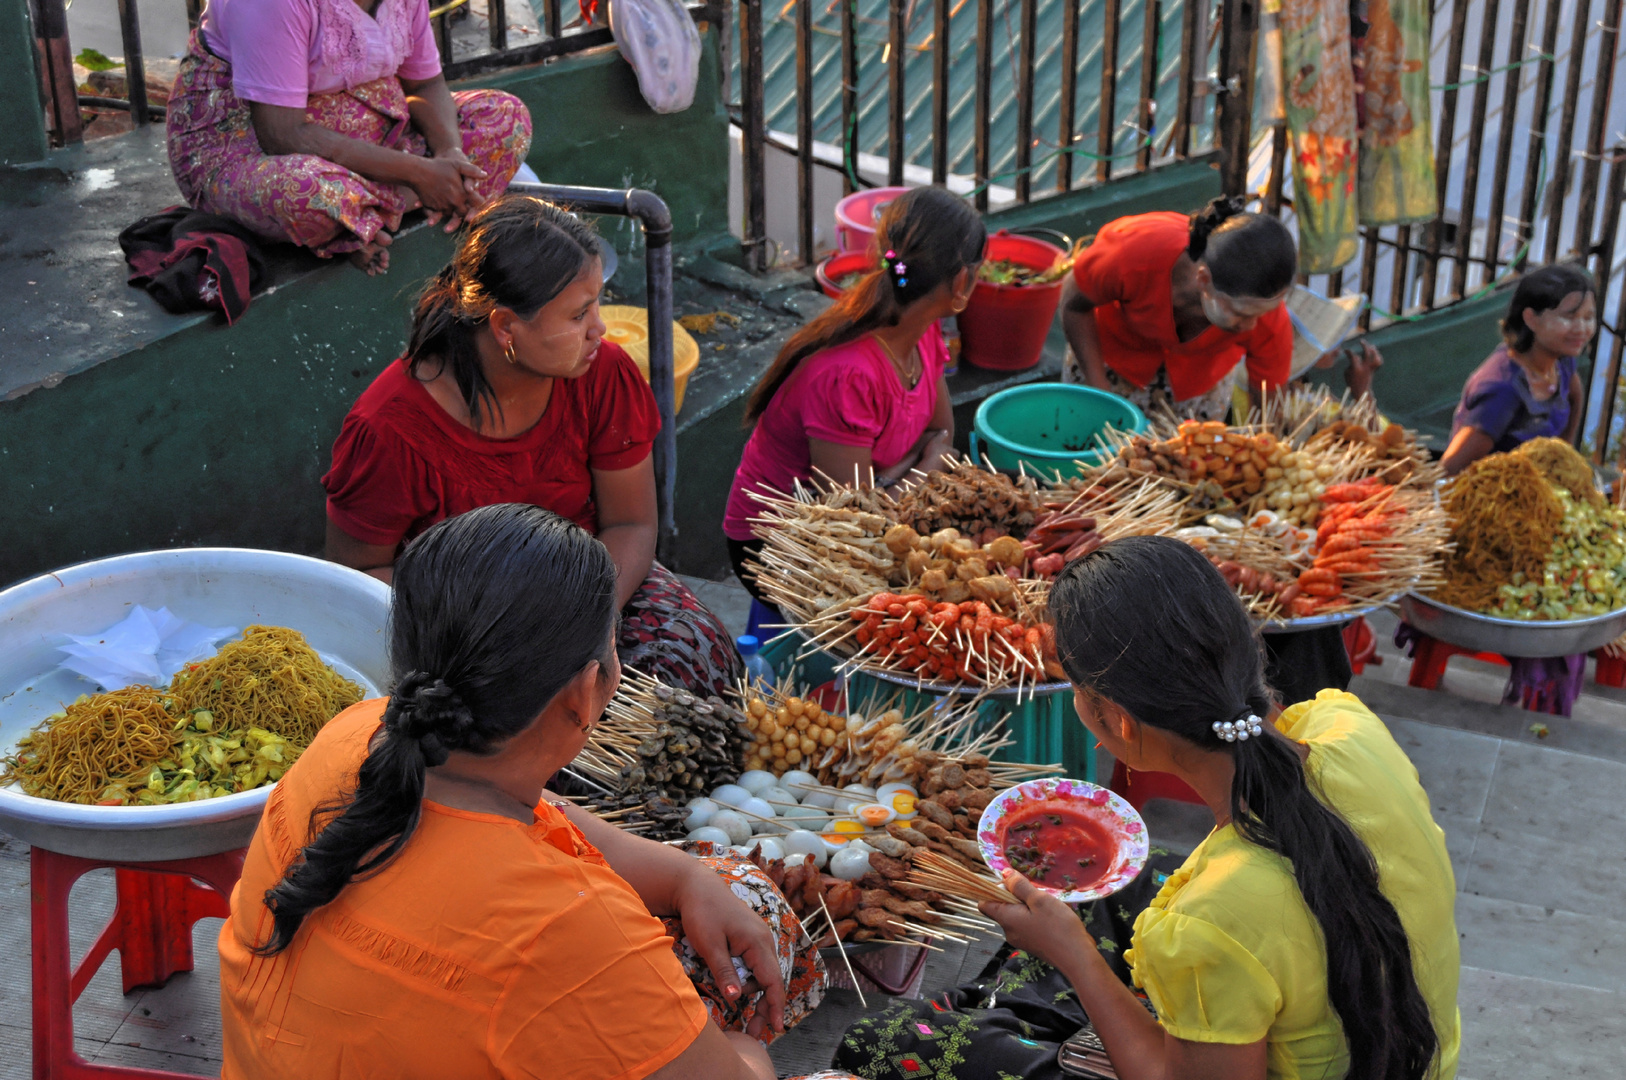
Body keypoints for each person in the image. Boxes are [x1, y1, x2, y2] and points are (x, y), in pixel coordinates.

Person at [218, 504, 858, 1079]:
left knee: (733, 886)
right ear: (585, 692)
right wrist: (742, 1047)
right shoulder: (567, 929)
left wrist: (689, 878)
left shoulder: (356, 734)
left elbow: (545, 811)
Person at [836, 535, 1460, 1080]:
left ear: (1121, 724)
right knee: (1120, 886)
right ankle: (1017, 1006)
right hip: (1413, 1053)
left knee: (882, 1042)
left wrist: (1073, 956)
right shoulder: (1345, 726)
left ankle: (1017, 1008)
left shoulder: (1207, 919)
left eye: (1078, 691)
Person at [322, 196, 743, 697]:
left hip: (593, 585)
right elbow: (358, 575)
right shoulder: (389, 429)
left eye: (597, 305)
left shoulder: (602, 373)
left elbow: (630, 523)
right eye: (578, 314)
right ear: (505, 327)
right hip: (468, 629)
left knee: (696, 659)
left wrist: (594, 617)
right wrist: (495, 626)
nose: (599, 329)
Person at [724, 186, 984, 602]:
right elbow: (856, 523)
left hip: (870, 507)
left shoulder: (923, 327)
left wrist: (916, 468)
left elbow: (941, 435)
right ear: (960, 282)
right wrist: (926, 462)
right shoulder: (847, 374)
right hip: (780, 547)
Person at [166, 0, 532, 275]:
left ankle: (359, 219)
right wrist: (419, 174)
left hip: (372, 134)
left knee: (506, 118)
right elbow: (282, 133)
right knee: (307, 193)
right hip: (248, 152)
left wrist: (449, 156)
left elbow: (424, 84)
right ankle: (374, 206)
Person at [1441, 263, 1597, 477]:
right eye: (1569, 317)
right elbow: (1449, 469)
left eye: (1588, 318)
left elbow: (1575, 395)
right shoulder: (1502, 390)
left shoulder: (1561, 360)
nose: (1581, 329)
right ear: (1531, 318)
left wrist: (1564, 458)